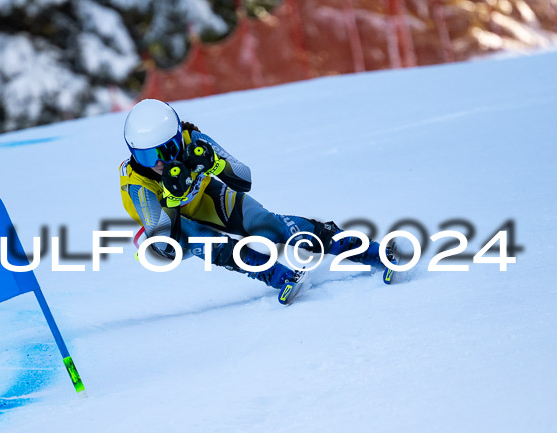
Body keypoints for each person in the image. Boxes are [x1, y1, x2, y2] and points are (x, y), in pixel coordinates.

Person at [118, 99, 393, 296]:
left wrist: (214, 164)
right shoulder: (138, 184)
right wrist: (171, 198)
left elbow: (244, 178)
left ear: (179, 136)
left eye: (167, 150)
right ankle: (273, 274)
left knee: (267, 224)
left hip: (205, 200)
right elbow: (165, 245)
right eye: (146, 155)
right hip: (169, 228)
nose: (158, 163)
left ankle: (369, 250)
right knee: (206, 240)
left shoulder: (194, 140)